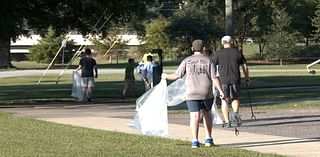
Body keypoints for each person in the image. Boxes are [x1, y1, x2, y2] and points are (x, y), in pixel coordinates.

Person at [162, 39, 224, 148]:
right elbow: (215, 77)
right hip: (206, 92)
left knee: (194, 116)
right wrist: (221, 91)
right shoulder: (209, 60)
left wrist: (165, 76)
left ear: (192, 49)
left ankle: (195, 140)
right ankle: (208, 139)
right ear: (204, 49)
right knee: (207, 114)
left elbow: (177, 75)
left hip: (191, 92)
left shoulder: (187, 61)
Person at [213, 36, 250, 127]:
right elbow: (244, 66)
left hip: (223, 79)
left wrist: (213, 78)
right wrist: (247, 77)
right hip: (235, 79)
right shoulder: (237, 53)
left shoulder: (218, 54)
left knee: (224, 100)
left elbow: (212, 67)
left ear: (222, 43)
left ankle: (227, 121)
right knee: (235, 98)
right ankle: (235, 115)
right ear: (232, 42)